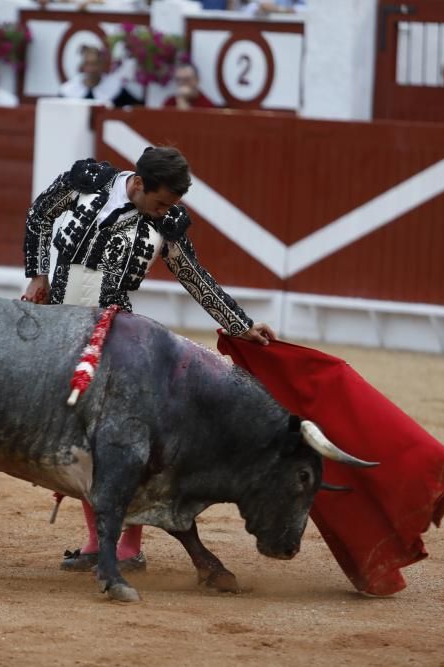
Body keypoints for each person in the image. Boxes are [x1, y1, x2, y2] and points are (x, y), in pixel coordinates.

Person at [22, 146, 276, 572]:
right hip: (56, 326)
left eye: (170, 206)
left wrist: (240, 324)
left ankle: (128, 546)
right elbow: (40, 215)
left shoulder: (168, 223)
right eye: (160, 202)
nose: (164, 212)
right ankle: (93, 540)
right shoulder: (87, 181)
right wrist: (38, 273)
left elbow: (194, 275)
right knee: (74, 439)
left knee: (121, 439)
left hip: (115, 335)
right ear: (138, 183)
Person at [58, 44, 142, 108]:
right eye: (88, 64)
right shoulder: (69, 90)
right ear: (82, 66)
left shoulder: (115, 89)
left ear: (101, 65)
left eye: (95, 64)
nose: (91, 69)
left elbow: (136, 108)